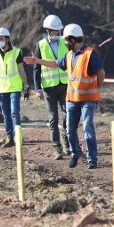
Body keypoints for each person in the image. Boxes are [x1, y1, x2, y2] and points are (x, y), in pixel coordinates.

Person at [26, 23, 104, 169]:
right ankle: (75, 153)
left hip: (88, 99)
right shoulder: (69, 55)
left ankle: (92, 158)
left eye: (67, 40)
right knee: (70, 129)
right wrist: (38, 61)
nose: (65, 43)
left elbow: (101, 73)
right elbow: (55, 64)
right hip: (72, 99)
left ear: (73, 39)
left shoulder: (90, 54)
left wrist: (96, 87)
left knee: (88, 127)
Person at [32, 14, 69, 160]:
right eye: (55, 31)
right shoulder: (40, 45)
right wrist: (38, 89)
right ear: (48, 31)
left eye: (59, 31)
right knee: (53, 118)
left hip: (65, 85)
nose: (58, 33)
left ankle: (67, 142)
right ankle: (57, 148)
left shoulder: (65, 42)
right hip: (48, 88)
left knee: (68, 114)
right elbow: (36, 67)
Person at [0, 27, 29, 148]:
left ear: (7, 39)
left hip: (15, 87)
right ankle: (10, 137)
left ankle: (18, 137)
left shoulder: (17, 52)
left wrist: (26, 84)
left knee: (14, 112)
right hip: (2, 89)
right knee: (6, 114)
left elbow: (21, 70)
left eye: (1, 39)